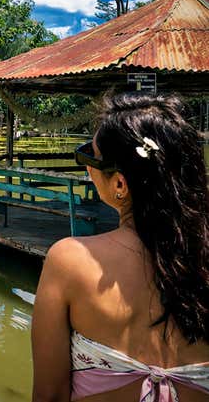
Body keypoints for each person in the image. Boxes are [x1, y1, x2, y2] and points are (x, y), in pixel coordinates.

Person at [31, 93, 209, 402]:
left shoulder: (69, 262)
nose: (87, 168)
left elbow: (49, 396)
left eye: (92, 158)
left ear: (120, 185)